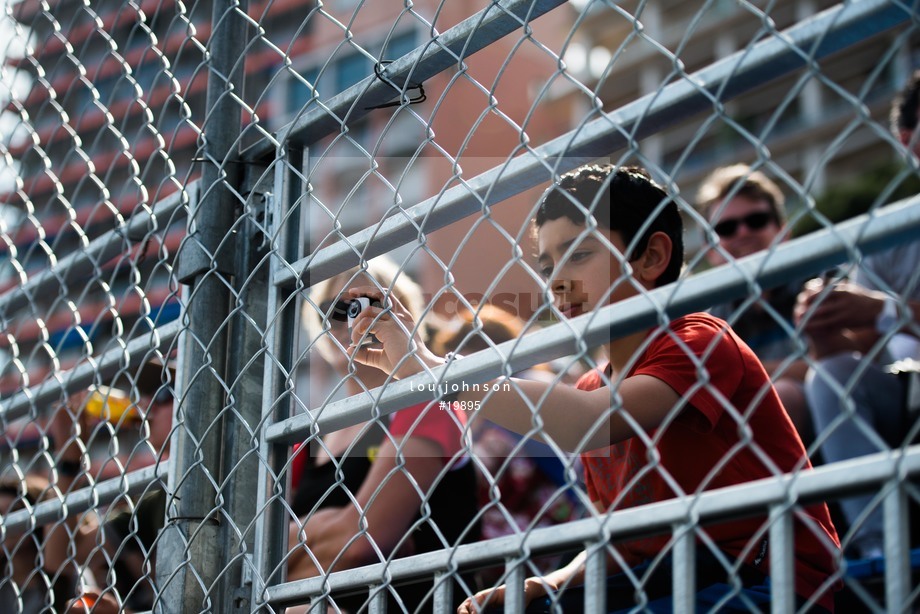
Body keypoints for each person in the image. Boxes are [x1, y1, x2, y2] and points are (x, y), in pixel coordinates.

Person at [346, 164, 840, 612]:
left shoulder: (698, 339)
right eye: (546, 267)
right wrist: (548, 583)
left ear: (650, 256)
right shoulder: (588, 385)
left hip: (767, 578)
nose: (558, 281)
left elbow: (589, 421)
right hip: (670, 577)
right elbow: (614, 543)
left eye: (579, 254)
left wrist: (435, 370)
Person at [286, 256, 480, 612]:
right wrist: (325, 532)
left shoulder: (425, 404)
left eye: (368, 306)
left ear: (405, 317)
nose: (352, 321)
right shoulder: (307, 442)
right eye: (335, 310)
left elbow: (361, 540)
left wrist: (296, 541)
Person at [795, 70, 920, 560]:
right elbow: (860, 346)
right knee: (829, 377)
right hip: (906, 386)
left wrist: (885, 310)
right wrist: (823, 328)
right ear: (908, 142)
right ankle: (877, 554)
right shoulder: (894, 231)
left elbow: (884, 316)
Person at [698, 164, 813, 444]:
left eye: (757, 220)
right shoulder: (714, 317)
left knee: (782, 394)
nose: (743, 233)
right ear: (710, 252)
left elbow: (831, 362)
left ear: (782, 232)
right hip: (746, 431)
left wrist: (740, 373)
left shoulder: (817, 282)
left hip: (819, 417)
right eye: (726, 228)